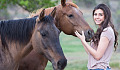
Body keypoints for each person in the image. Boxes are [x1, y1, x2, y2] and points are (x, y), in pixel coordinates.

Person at [75, 4, 118, 70]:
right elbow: (90, 53)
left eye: (100, 15)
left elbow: (97, 56)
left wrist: (83, 41)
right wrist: (82, 40)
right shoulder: (101, 31)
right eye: (95, 14)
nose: (97, 17)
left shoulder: (107, 31)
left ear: (106, 16)